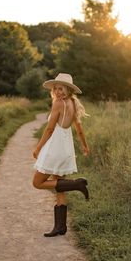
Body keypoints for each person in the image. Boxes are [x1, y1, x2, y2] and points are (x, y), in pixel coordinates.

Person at [32, 73, 90, 237]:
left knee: (37, 182)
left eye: (61, 88)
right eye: (55, 88)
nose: (57, 91)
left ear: (68, 89)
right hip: (65, 149)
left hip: (55, 148)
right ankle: (60, 227)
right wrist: (85, 146)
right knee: (59, 188)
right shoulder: (73, 103)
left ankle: (76, 184)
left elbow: (49, 129)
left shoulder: (58, 104)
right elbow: (78, 129)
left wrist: (38, 148)